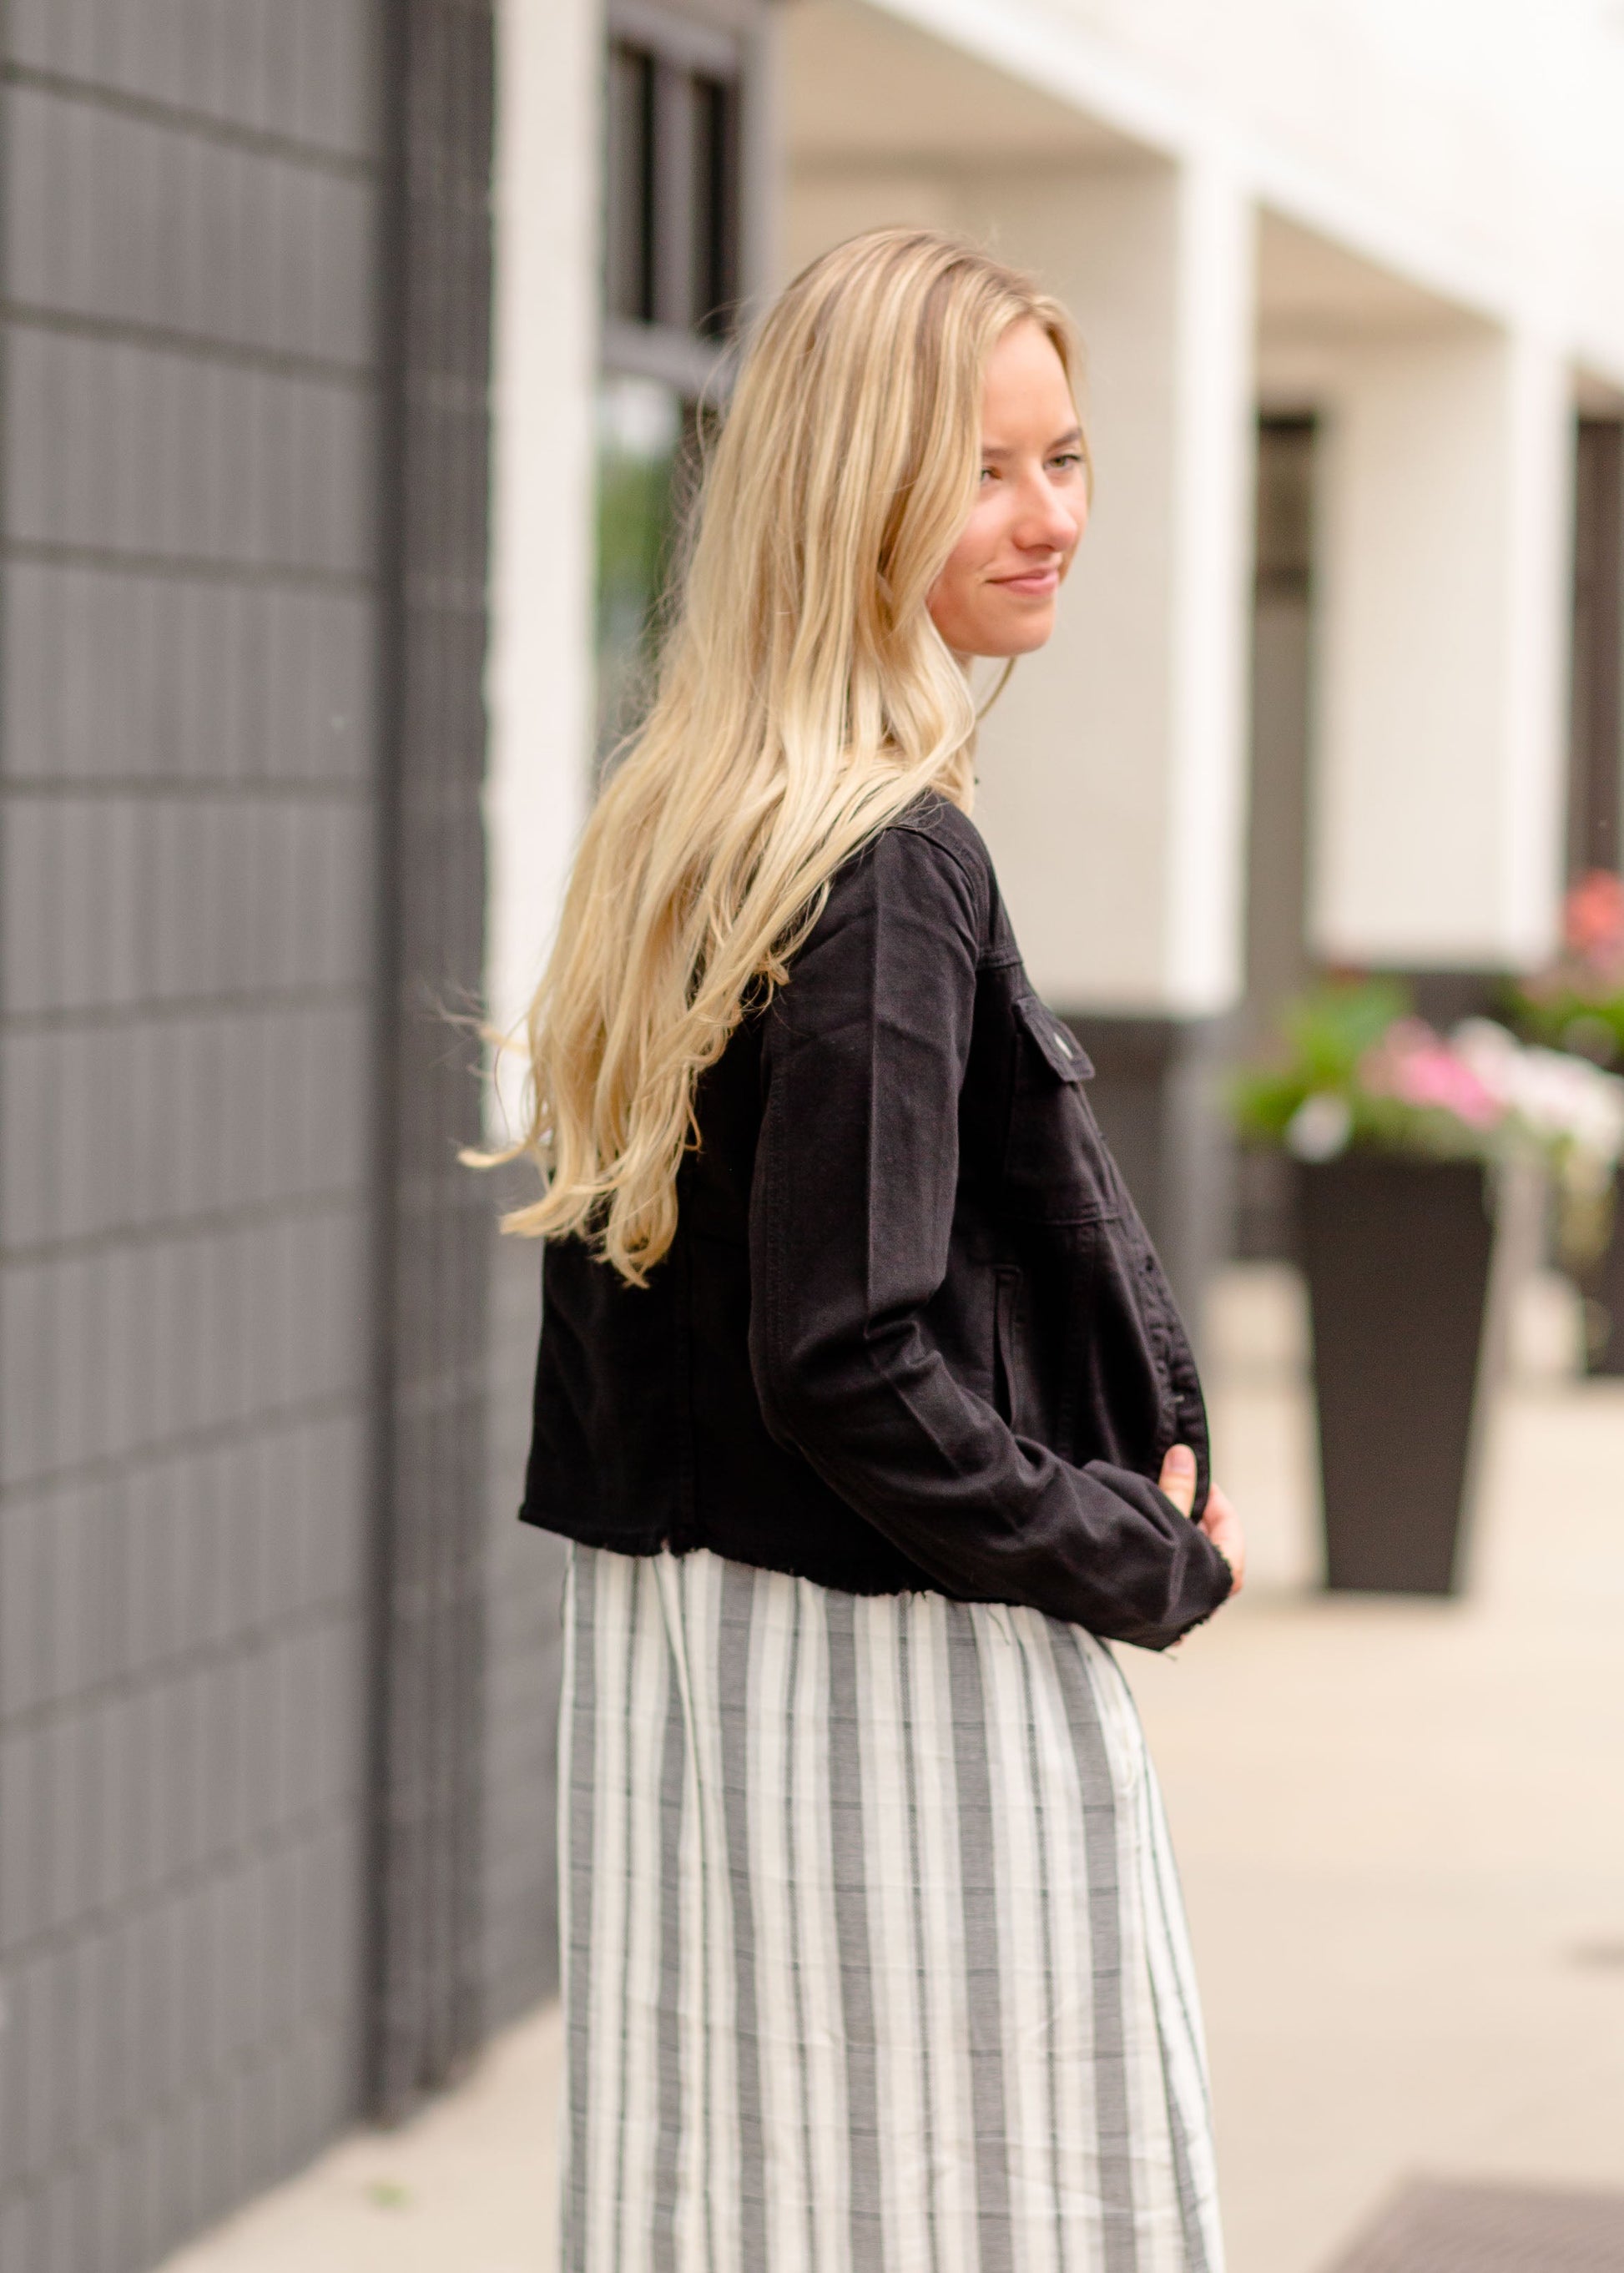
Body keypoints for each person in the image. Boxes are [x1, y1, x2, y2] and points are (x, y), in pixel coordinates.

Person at [501, 226, 1245, 2272]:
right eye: (985, 467)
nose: (1047, 517)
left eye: (1068, 457)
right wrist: (1135, 1553)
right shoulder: (886, 855)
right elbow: (844, 1353)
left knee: (739, 2196)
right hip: (888, 1678)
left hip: (694, 1667)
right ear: (851, 488)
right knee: (986, 2210)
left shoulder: (683, 820)